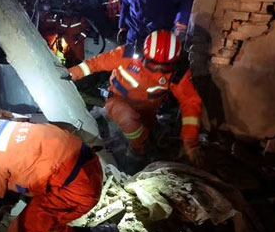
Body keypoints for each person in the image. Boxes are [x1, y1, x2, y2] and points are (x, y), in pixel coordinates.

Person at [68, 30, 202, 164]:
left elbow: (190, 102)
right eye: (153, 64)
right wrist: (71, 74)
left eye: (164, 67)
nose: (158, 69)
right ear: (143, 54)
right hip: (116, 102)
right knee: (128, 119)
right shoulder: (126, 55)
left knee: (145, 132)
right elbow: (95, 63)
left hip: (147, 114)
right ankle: (137, 152)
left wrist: (189, 141)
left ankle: (141, 144)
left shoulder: (178, 73)